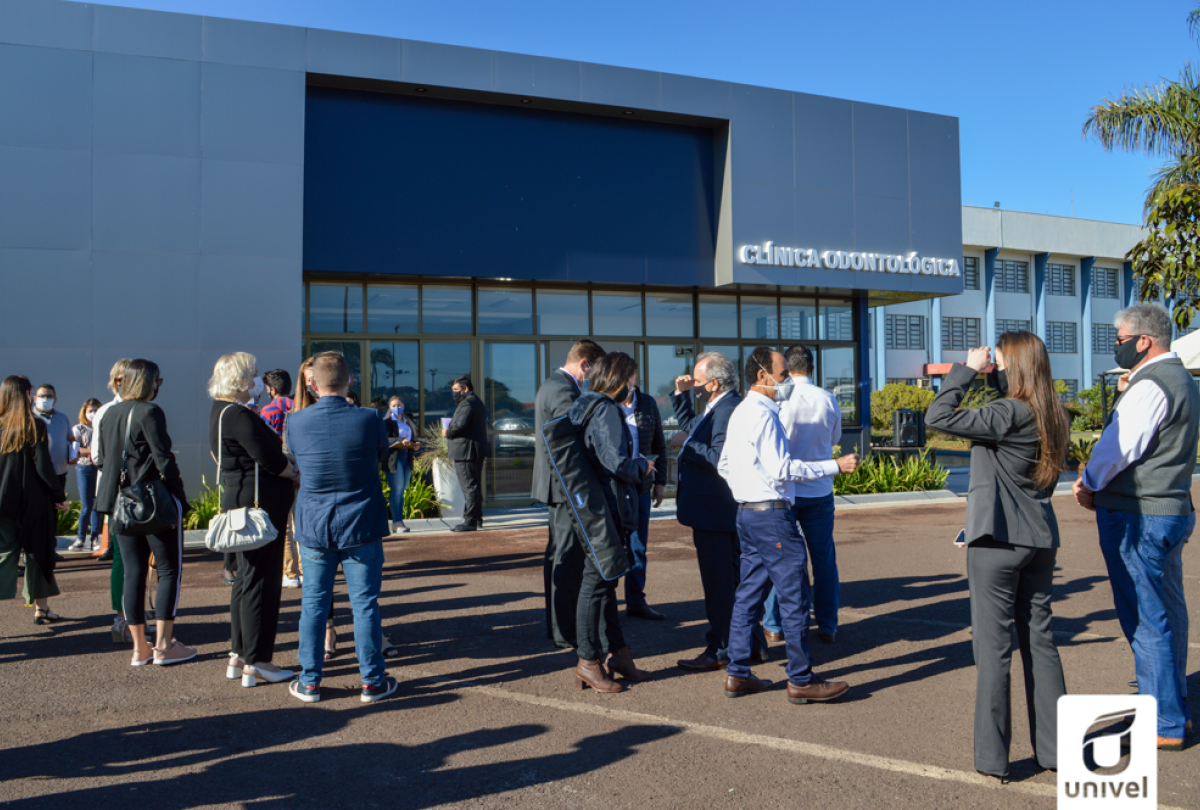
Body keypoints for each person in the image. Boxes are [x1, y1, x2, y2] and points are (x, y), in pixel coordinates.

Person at [926, 333, 1069, 780]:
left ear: (1015, 367)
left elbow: (937, 415)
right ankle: (1055, 750)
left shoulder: (1008, 412)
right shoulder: (1054, 413)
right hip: (1039, 538)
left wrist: (967, 370)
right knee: (1041, 644)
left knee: (993, 652)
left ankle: (993, 758)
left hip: (999, 543)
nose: (996, 370)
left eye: (1000, 363)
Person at [1073, 303, 1197, 751]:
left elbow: (1119, 447)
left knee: (1145, 618)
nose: (1116, 346)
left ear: (1144, 340)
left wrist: (1088, 482)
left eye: (1121, 339)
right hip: (1171, 507)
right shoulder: (1181, 379)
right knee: (1167, 610)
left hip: (1137, 513)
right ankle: (1173, 704)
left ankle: (1163, 720)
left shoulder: (1151, 385)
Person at [717, 347, 856, 703]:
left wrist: (746, 491)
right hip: (772, 515)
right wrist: (834, 466)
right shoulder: (764, 414)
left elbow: (724, 465)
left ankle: (738, 673)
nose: (787, 382)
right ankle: (801, 679)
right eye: (782, 375)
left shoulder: (742, 411)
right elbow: (783, 468)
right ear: (762, 375)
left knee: (748, 594)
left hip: (748, 513)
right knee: (795, 595)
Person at [286, 351, 397, 704]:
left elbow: (297, 460)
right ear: (350, 380)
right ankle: (372, 682)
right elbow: (381, 454)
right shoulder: (369, 418)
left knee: (314, 604)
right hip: (361, 522)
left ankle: (310, 681)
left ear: (313, 384)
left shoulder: (295, 422)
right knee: (364, 604)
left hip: (315, 524)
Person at [95, 359, 195, 666]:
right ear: (148, 382)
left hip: (120, 503)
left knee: (133, 572)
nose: (157, 386)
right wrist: (180, 499)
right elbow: (164, 460)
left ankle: (140, 648)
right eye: (157, 381)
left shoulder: (109, 413)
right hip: (152, 501)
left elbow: (104, 460)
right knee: (168, 571)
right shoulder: (150, 412)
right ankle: (164, 646)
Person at [209, 353, 300, 688]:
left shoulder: (220, 411)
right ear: (240, 379)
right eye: (254, 374)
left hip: (240, 503)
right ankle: (258, 661)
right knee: (263, 582)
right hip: (261, 506)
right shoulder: (239, 414)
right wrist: (294, 472)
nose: (258, 380)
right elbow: (270, 459)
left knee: (246, 580)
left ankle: (239, 653)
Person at [671, 351, 765, 671]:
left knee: (720, 585)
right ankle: (751, 643)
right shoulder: (719, 406)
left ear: (713, 383)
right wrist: (681, 396)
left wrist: (686, 444)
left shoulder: (727, 410)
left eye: (697, 381)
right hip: (716, 511)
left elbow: (718, 458)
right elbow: (692, 427)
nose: (694, 385)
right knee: (734, 583)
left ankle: (720, 648)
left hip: (716, 511)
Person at [569, 351, 653, 692]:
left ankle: (618, 654)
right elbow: (616, 463)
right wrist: (643, 466)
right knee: (597, 585)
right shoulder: (606, 409)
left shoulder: (585, 403)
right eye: (632, 378)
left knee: (605, 583)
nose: (634, 384)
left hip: (594, 506)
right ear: (621, 378)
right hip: (606, 508)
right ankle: (588, 661)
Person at [763, 344, 843, 644]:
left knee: (781, 559)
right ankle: (827, 624)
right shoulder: (827, 398)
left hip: (786, 491)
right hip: (819, 489)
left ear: (786, 367)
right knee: (823, 558)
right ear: (812, 368)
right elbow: (834, 439)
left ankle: (774, 624)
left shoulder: (778, 399)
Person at [533, 339, 605, 649]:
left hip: (557, 484)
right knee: (566, 558)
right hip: (565, 485)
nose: (595, 377)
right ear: (585, 364)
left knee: (559, 555)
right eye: (595, 369)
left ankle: (558, 626)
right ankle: (565, 630)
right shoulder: (563, 389)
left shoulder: (553, 384)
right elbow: (569, 442)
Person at [0, 376, 69, 623]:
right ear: (26, 395)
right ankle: (41, 608)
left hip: (3, 502)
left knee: (3, 555)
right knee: (38, 554)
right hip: (33, 502)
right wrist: (59, 496)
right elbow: (43, 466)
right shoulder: (34, 425)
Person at [617, 373, 667, 620]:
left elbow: (659, 444)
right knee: (612, 545)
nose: (627, 383)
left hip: (641, 485)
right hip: (615, 486)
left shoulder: (647, 403)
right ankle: (605, 606)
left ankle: (636, 601)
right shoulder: (606, 404)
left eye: (630, 378)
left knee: (638, 546)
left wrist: (661, 482)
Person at [91, 358, 131, 639]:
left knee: (129, 556)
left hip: (122, 490)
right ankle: (123, 618)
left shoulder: (115, 410)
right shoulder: (107, 411)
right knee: (123, 555)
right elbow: (97, 456)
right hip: (121, 492)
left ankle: (128, 617)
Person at [443, 375, 488, 533]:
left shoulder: (467, 403)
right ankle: (477, 517)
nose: (454, 393)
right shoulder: (477, 402)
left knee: (469, 486)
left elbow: (459, 425)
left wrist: (447, 432)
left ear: (465, 389)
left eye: (456, 389)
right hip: (474, 450)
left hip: (466, 451)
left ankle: (470, 521)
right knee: (474, 485)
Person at [69, 398, 104, 551]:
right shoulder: (78, 429)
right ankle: (80, 538)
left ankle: (95, 538)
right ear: (84, 412)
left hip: (100, 469)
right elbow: (76, 450)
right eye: (90, 411)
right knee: (86, 506)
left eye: (96, 410)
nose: (93, 413)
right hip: (84, 468)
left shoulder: (103, 428)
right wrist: (93, 451)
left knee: (97, 505)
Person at [383, 395, 419, 534]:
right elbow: (385, 439)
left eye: (399, 405)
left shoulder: (408, 421)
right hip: (394, 458)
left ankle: (399, 521)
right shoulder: (387, 422)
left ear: (403, 406)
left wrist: (414, 444)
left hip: (406, 456)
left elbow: (410, 438)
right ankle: (396, 522)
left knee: (401, 490)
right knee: (397, 489)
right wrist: (400, 440)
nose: (397, 408)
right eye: (393, 406)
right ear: (389, 408)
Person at [33, 384, 71, 492]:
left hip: (59, 473)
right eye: (42, 396)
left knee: (57, 501)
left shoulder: (63, 418)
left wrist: (74, 454)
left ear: (55, 399)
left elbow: (70, 439)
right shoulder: (29, 418)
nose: (45, 399)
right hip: (36, 474)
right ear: (35, 399)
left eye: (49, 397)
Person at [259, 369, 294, 438]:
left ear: (273, 390)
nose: (267, 392)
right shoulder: (301, 408)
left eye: (267, 389)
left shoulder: (268, 412)